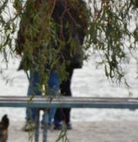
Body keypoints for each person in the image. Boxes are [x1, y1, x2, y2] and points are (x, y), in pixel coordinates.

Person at [16, 0, 88, 131]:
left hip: (42, 48)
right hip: (60, 50)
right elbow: (83, 26)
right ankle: (47, 121)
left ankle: (34, 120)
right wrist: (76, 45)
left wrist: (21, 43)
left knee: (37, 85)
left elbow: (26, 22)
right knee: (52, 86)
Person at [53, 0, 89, 130]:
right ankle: (65, 119)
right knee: (65, 85)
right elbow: (84, 28)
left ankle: (58, 119)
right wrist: (78, 43)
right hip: (71, 50)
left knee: (56, 85)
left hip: (57, 50)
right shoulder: (79, 3)